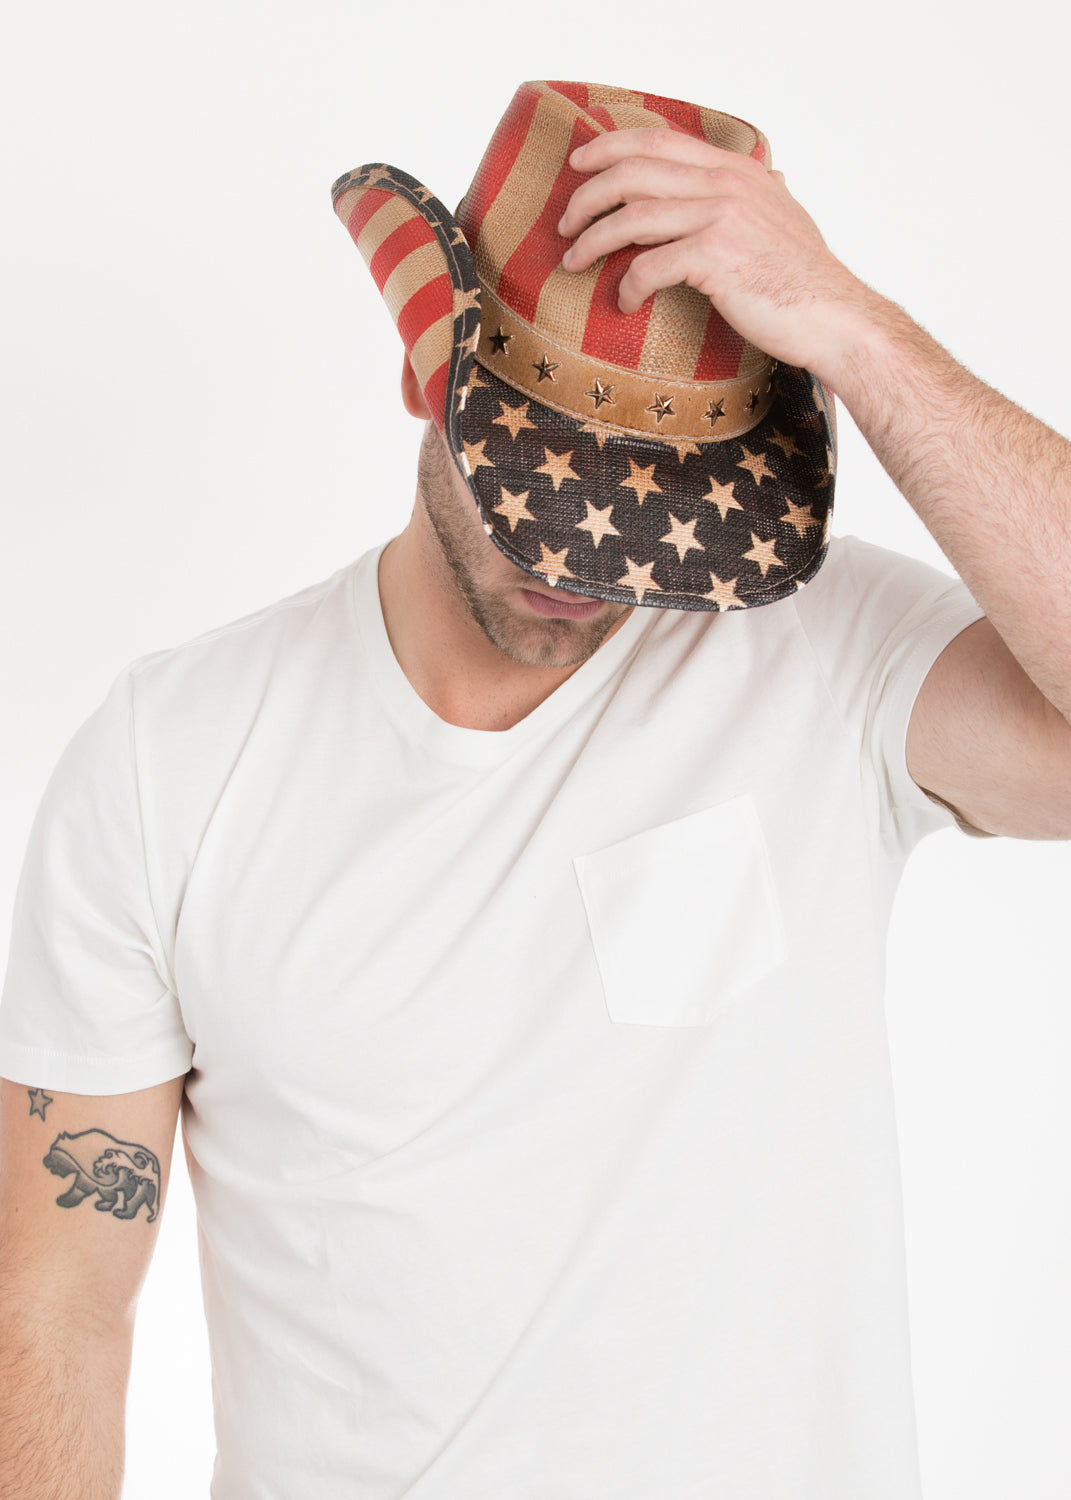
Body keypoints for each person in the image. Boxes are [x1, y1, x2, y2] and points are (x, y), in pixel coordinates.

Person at [1, 79, 1068, 1499]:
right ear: (421, 380)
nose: (579, 553)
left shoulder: (828, 656)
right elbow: (58, 1305)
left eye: (652, 496)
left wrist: (859, 335)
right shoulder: (174, 751)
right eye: (538, 479)